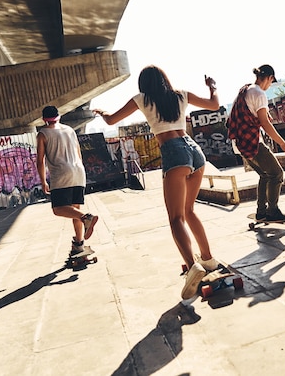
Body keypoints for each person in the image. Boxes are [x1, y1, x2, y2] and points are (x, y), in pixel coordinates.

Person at [93, 65, 220, 299]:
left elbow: (111, 121)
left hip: (174, 153)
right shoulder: (181, 95)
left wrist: (101, 112)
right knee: (189, 211)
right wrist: (212, 87)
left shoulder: (142, 99)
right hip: (194, 151)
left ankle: (194, 267)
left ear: (144, 84)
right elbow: (214, 105)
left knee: (175, 218)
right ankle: (208, 259)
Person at [227, 64, 285, 222]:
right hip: (252, 143)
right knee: (276, 174)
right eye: (271, 82)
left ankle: (261, 212)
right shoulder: (259, 93)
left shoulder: (245, 90)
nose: (270, 85)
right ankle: (272, 211)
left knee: (265, 175)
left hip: (239, 143)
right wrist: (283, 144)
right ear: (269, 78)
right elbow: (265, 123)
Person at [36, 106, 98, 258]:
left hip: (61, 174)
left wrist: (43, 181)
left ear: (44, 119)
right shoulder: (70, 130)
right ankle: (79, 244)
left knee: (58, 209)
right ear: (59, 116)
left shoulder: (42, 134)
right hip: (78, 171)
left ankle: (87, 218)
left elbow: (40, 161)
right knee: (74, 210)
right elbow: (79, 153)